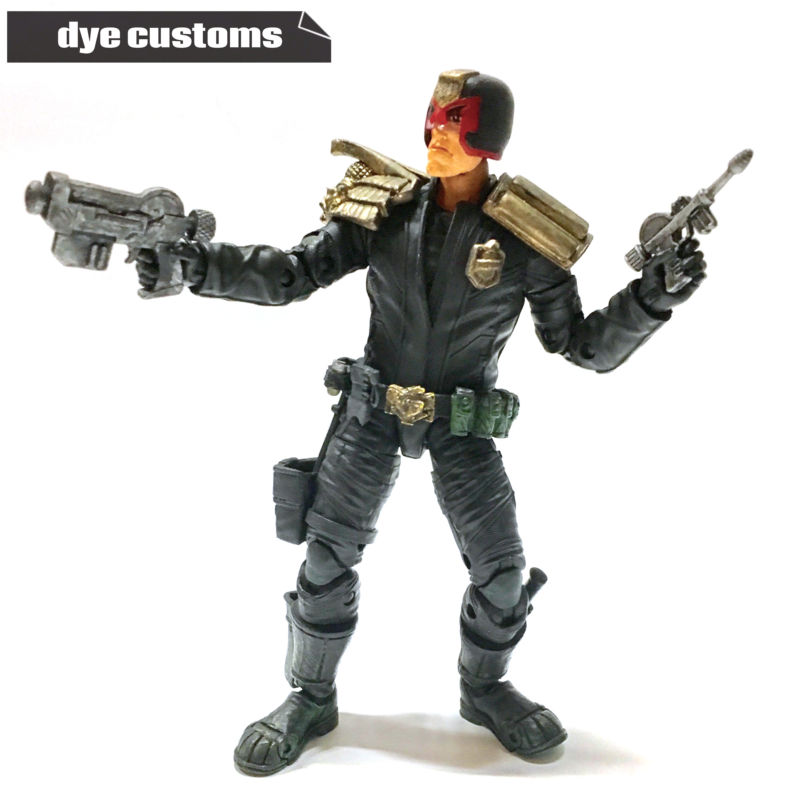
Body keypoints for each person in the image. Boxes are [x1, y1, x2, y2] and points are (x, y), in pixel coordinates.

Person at [137, 69, 706, 776]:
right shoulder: (385, 210)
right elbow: (291, 273)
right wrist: (195, 265)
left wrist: (653, 297)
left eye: (453, 124)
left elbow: (583, 346)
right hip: (371, 408)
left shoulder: (525, 238)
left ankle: (485, 689)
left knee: (503, 576)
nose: (436, 135)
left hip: (462, 421)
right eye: (433, 121)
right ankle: (310, 696)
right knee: (325, 559)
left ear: (486, 138)